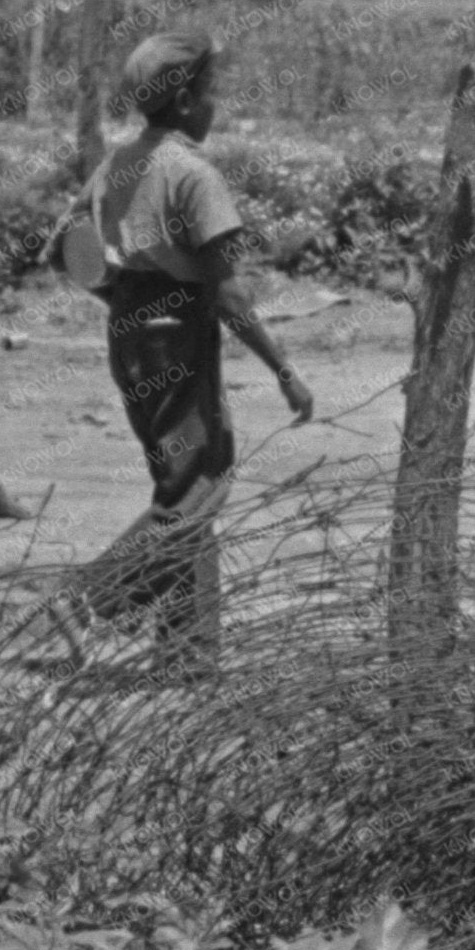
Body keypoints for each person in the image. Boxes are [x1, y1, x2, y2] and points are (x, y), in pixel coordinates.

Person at [73, 34, 310, 668]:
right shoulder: (193, 174)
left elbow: (64, 248)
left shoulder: (115, 164)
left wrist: (123, 302)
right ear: (183, 100)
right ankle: (88, 599)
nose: (215, 105)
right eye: (209, 93)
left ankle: (189, 650)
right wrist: (284, 371)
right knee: (198, 485)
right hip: (179, 331)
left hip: (129, 332)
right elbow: (228, 297)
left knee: (177, 486)